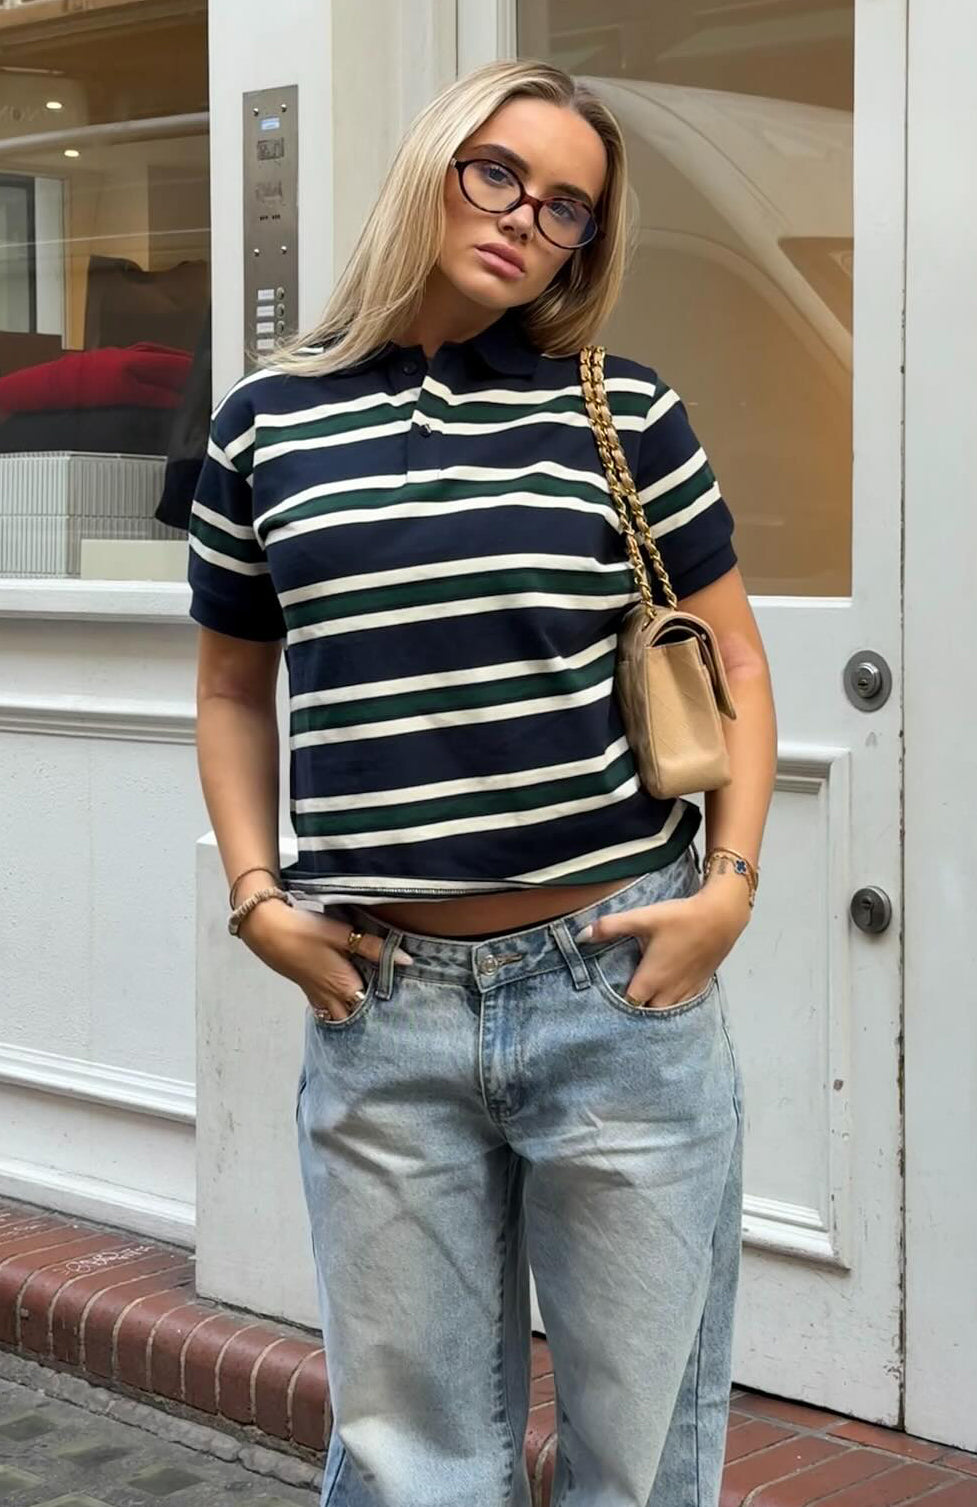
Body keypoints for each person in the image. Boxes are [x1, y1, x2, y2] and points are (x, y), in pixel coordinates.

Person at [187, 57, 776, 1507]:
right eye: (499, 173)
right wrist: (256, 899)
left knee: (638, 1462)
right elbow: (230, 688)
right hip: (382, 1003)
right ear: (434, 165)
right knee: (412, 1469)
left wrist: (728, 891)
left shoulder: (621, 412)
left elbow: (740, 666)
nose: (526, 217)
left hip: (615, 988)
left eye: (567, 206)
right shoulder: (265, 424)